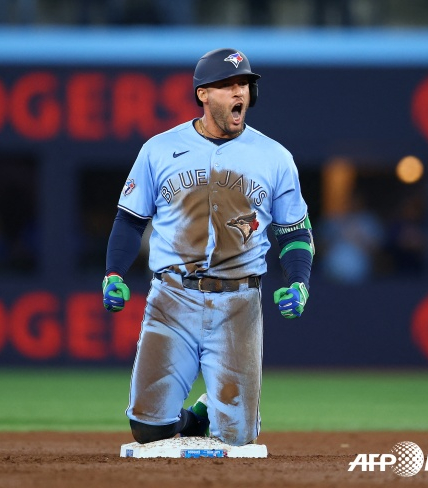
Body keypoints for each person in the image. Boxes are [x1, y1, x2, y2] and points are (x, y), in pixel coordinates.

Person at [101, 48, 314, 446]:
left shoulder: (275, 157)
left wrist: (299, 282)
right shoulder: (159, 149)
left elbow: (295, 233)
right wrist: (114, 273)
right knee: (148, 429)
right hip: (171, 297)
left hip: (238, 303)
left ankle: (228, 416)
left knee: (237, 440)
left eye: (245, 85)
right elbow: (129, 220)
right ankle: (198, 414)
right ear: (203, 94)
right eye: (229, 85)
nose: (241, 93)